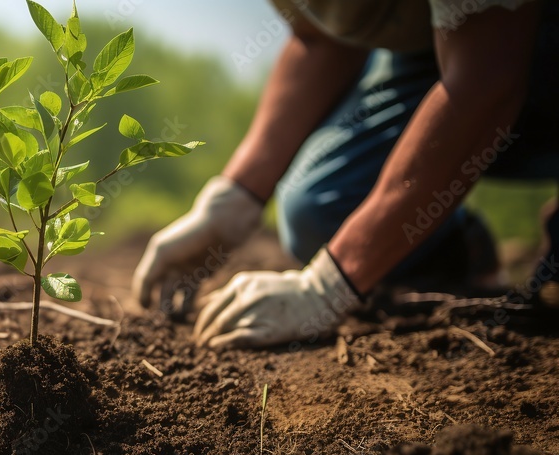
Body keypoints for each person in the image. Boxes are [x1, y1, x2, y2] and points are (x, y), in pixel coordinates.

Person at [133, 0, 559, 349]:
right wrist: (233, 200)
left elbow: (487, 79)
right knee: (319, 212)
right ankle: (459, 248)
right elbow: (320, 39)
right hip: (438, 46)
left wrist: (328, 286)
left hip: (515, 33)